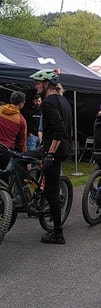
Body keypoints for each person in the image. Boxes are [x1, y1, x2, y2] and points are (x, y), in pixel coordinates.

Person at [30, 69, 73, 245]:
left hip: (54, 150)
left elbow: (59, 129)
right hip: (61, 149)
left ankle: (58, 233)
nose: (35, 86)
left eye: (38, 83)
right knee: (49, 186)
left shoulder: (48, 102)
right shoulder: (63, 100)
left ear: (46, 84)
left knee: (51, 190)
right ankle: (36, 201)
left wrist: (50, 153)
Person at [0, 91, 27, 169]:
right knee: (4, 176)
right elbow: (22, 142)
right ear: (21, 103)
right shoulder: (21, 120)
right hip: (6, 151)